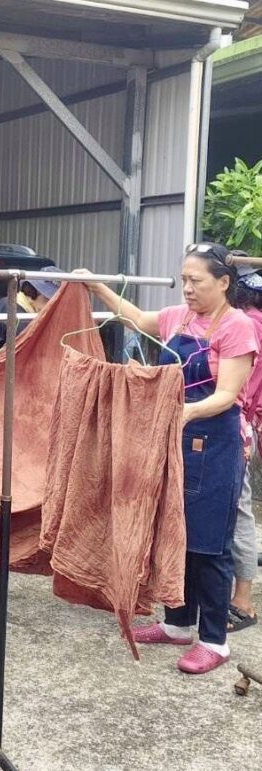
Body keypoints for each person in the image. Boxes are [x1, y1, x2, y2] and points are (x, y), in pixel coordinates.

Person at [79, 242, 257, 674]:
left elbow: (227, 395)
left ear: (223, 282)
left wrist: (183, 412)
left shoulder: (237, 327)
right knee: (175, 534)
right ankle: (177, 624)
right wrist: (97, 287)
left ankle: (214, 641)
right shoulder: (181, 317)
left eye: (196, 281)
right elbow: (138, 319)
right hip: (175, 440)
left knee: (208, 545)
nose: (188, 289)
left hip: (215, 443)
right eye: (183, 281)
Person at [228, 262, 262, 632]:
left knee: (239, 508)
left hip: (240, 422)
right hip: (251, 419)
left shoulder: (247, 324)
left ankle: (243, 600)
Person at [0, 266, 62, 358]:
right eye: (49, 298)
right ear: (31, 292)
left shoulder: (53, 316)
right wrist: (6, 362)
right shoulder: (6, 307)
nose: (53, 303)